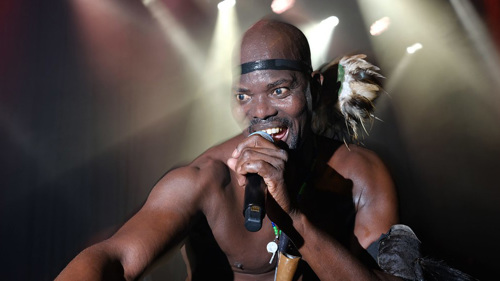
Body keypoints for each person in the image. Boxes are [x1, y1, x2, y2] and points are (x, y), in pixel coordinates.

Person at [56, 19, 402, 281]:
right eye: (244, 96)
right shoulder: (208, 179)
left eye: (279, 91)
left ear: (313, 87)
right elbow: (114, 256)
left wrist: (295, 219)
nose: (260, 110)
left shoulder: (360, 175)